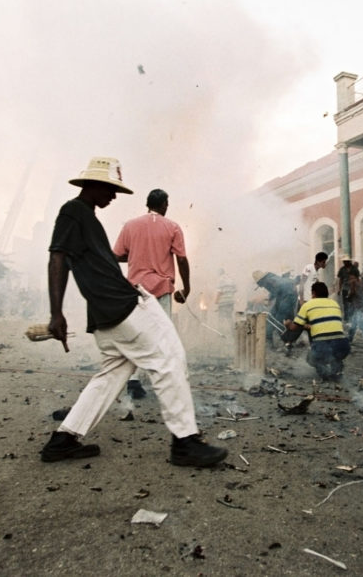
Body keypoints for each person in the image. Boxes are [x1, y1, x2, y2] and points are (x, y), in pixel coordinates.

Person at [42, 156, 226, 467]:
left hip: (109, 310)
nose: (114, 195)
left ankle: (64, 439)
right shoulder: (73, 212)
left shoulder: (89, 216)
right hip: (120, 305)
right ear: (94, 184)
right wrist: (56, 313)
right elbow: (57, 258)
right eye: (111, 189)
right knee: (169, 357)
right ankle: (185, 441)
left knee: (112, 374)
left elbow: (107, 259)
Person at [113, 188, 191, 399]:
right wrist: (187, 287)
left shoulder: (130, 225)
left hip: (135, 289)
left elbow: (117, 255)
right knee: (161, 335)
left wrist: (136, 255)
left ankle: (133, 380)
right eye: (168, 203)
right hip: (160, 289)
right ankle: (164, 382)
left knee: (136, 333)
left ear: (147, 204)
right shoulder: (173, 227)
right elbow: (181, 259)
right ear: (164, 204)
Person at [284, 282, 350, 381]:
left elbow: (294, 328)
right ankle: (337, 370)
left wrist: (288, 324)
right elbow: (328, 325)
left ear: (313, 293)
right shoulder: (334, 304)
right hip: (343, 346)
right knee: (334, 353)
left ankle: (326, 375)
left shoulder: (308, 305)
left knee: (311, 358)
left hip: (324, 347)